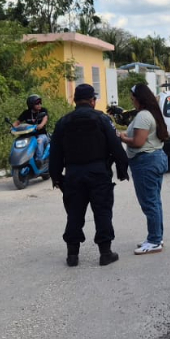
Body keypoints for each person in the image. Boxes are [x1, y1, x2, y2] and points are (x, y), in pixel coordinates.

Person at [49, 83, 130, 267]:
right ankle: (105, 253)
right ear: (92, 100)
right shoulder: (102, 119)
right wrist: (122, 167)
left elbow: (55, 153)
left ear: (74, 100)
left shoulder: (63, 122)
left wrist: (56, 177)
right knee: (102, 212)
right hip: (98, 173)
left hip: (73, 174)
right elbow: (115, 145)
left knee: (74, 214)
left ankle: (72, 255)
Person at [117, 82, 170, 255]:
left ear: (139, 98)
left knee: (149, 203)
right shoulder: (152, 113)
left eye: (133, 98)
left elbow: (138, 142)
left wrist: (122, 138)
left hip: (146, 161)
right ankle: (156, 237)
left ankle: (154, 241)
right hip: (155, 158)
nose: (131, 100)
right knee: (155, 201)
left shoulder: (143, 116)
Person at [17, 93, 51, 162]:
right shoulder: (26, 113)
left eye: (40, 103)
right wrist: (12, 128)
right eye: (37, 103)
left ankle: (39, 161)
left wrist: (41, 125)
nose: (39, 105)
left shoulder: (43, 110)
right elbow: (17, 122)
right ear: (31, 105)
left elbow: (45, 118)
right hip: (29, 136)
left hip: (41, 135)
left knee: (39, 141)